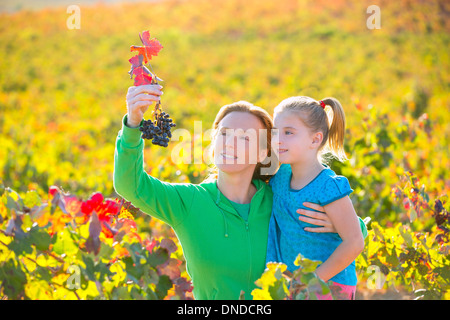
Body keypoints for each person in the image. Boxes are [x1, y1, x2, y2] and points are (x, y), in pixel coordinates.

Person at [114, 84, 366, 299]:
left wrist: (338, 224)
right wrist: (133, 123)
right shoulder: (190, 202)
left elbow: (352, 232)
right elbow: (130, 186)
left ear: (263, 153)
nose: (230, 142)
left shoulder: (275, 197)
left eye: (245, 137)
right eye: (224, 133)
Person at [266, 96, 365, 300]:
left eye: (289, 132)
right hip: (296, 283)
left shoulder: (328, 185)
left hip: (330, 284)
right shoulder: (280, 176)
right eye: (275, 132)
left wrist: (313, 280)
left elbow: (354, 241)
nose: (278, 139)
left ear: (315, 139)